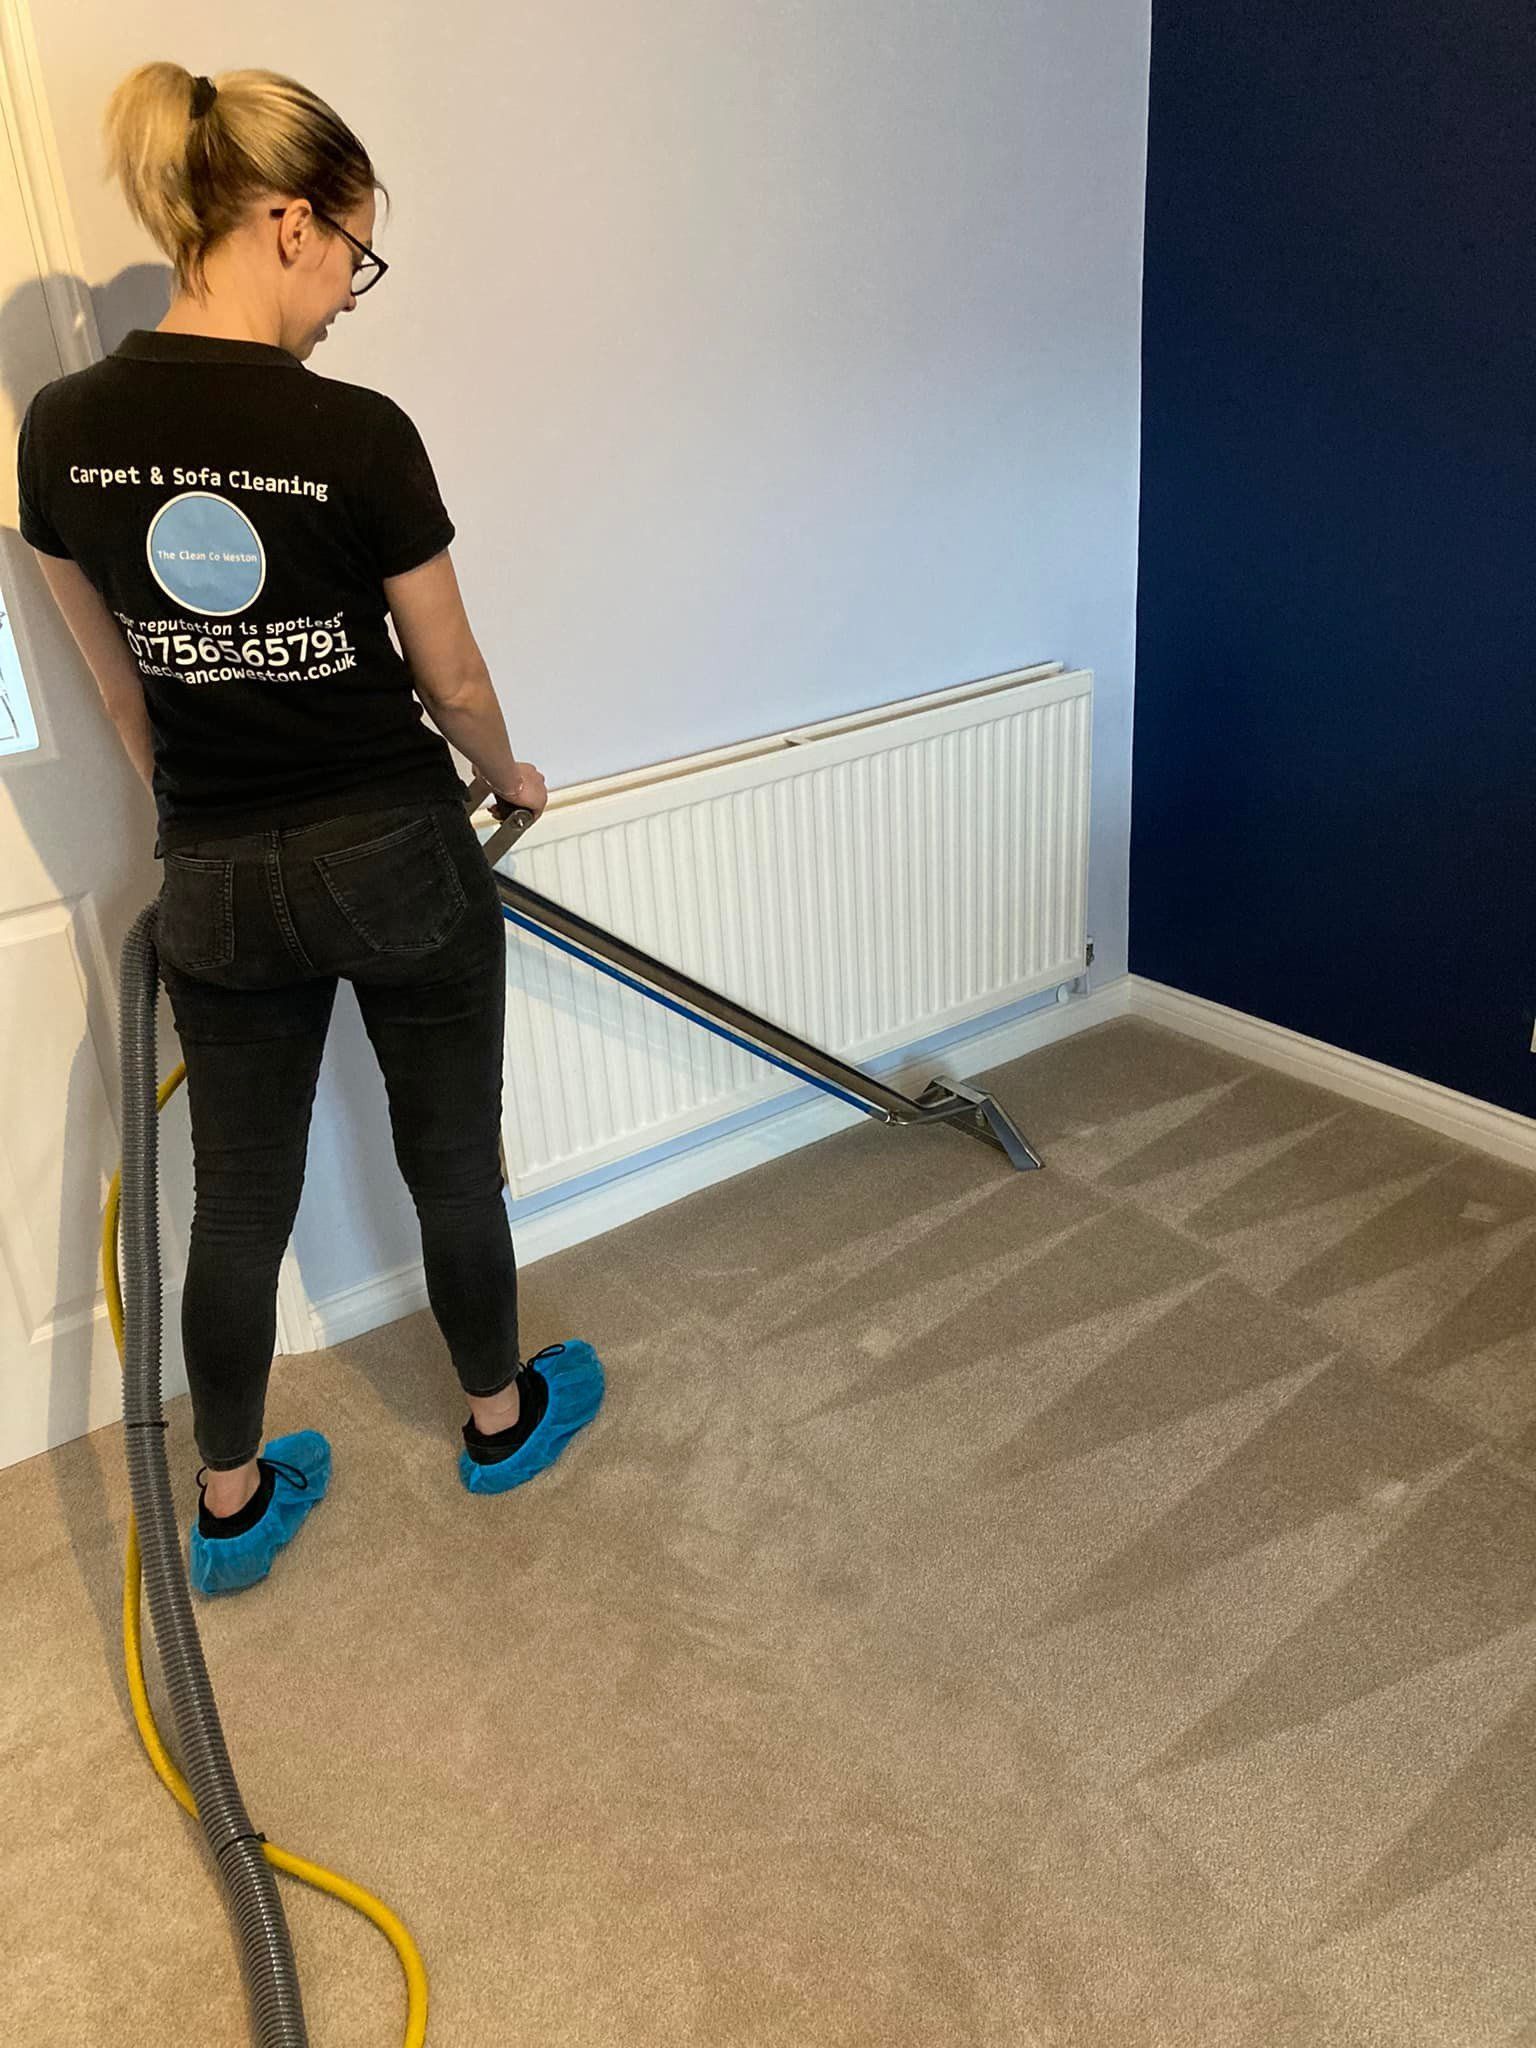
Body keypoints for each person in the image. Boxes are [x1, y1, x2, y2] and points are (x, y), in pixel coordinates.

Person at [17, 62, 604, 1596]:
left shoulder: (60, 431)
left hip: (214, 872)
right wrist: (512, 774)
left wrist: (209, 815)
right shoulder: (355, 431)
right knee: (451, 1164)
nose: (349, 291)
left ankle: (229, 1504)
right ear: (289, 222)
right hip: (393, 850)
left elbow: (124, 694)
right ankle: (499, 1423)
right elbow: (451, 678)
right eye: (354, 251)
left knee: (237, 1198)